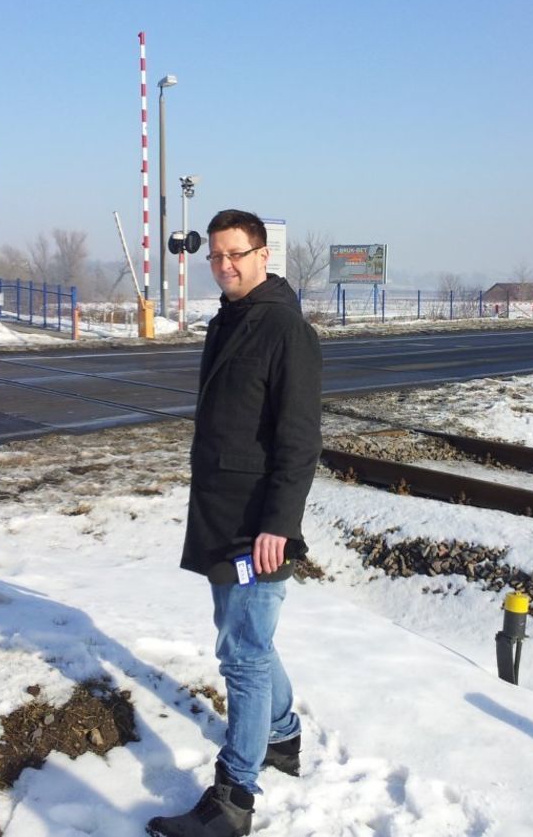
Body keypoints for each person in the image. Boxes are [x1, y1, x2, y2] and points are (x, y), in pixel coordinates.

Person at [148, 210, 322, 837]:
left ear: (263, 253)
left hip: (257, 522)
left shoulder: (284, 329)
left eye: (237, 254)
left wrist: (280, 522)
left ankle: (234, 799)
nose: (225, 265)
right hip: (220, 511)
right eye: (217, 256)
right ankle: (282, 735)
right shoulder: (229, 319)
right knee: (242, 635)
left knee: (243, 655)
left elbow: (300, 439)